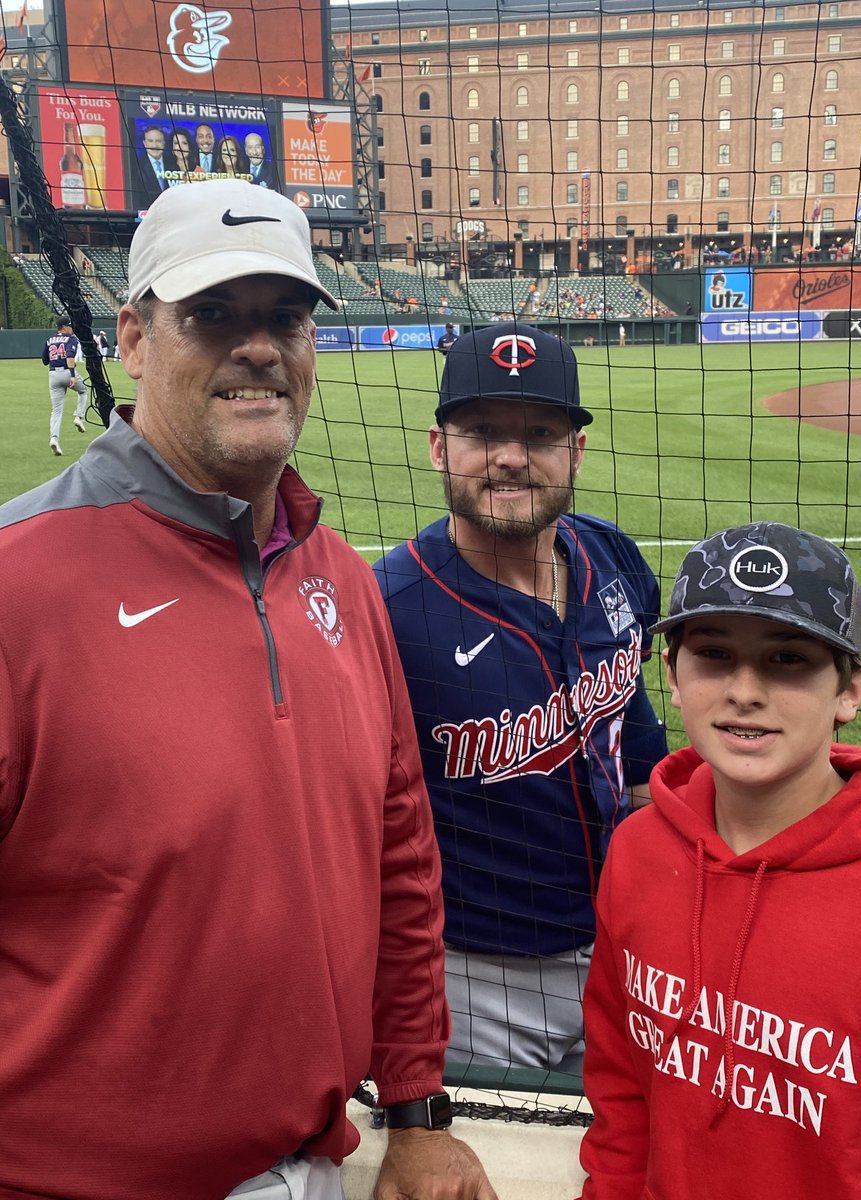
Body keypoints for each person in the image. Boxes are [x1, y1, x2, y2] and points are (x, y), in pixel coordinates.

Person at [0, 179, 497, 1200]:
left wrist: (416, 1110)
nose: (259, 346)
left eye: (286, 316)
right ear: (134, 339)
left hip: (309, 1166)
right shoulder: (19, 581)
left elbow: (402, 859)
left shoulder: (344, 580)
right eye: (213, 314)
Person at [373, 323, 668, 1074]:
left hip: (629, 951)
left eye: (539, 434)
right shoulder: (389, 607)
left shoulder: (610, 553)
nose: (511, 456)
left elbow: (634, 730)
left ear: (577, 452)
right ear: (439, 448)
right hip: (477, 983)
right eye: (483, 432)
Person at [578, 522, 861, 1200]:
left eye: (787, 658)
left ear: (849, 689)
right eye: (715, 654)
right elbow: (621, 1085)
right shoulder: (639, 851)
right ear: (671, 675)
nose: (744, 690)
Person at [41, 313, 88, 455]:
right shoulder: (71, 339)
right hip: (67, 372)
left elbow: (45, 360)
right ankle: (79, 417)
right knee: (83, 391)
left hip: (53, 374)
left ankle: (54, 439)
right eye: (69, 326)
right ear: (64, 327)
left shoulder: (49, 339)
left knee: (56, 411)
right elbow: (69, 356)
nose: (71, 328)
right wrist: (72, 375)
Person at [134, 123, 171, 209]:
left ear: (164, 143)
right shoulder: (136, 166)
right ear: (144, 143)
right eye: (150, 141)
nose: (154, 145)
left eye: (158, 141)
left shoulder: (173, 164)